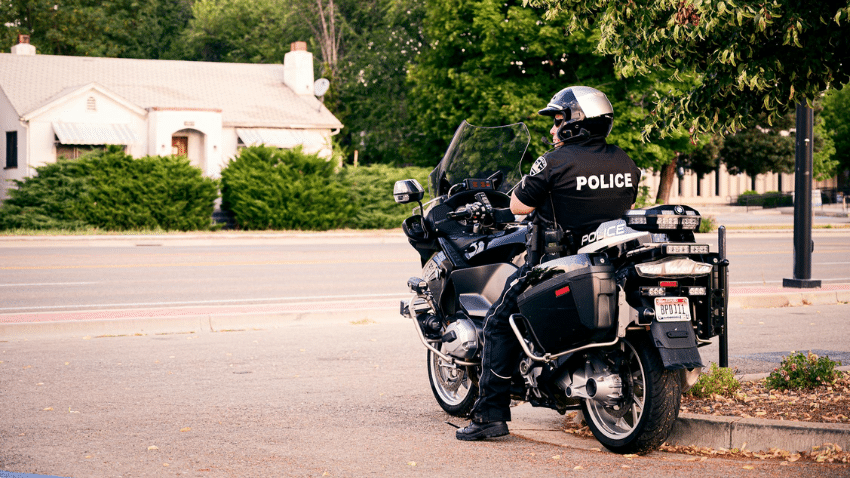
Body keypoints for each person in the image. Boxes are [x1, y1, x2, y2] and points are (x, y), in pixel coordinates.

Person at [456, 86, 642, 441]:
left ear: (576, 123)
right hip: (610, 260)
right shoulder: (624, 161)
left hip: (557, 262)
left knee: (498, 322)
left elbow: (518, 207)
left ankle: (489, 415)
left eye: (558, 122)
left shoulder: (553, 162)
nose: (553, 130)